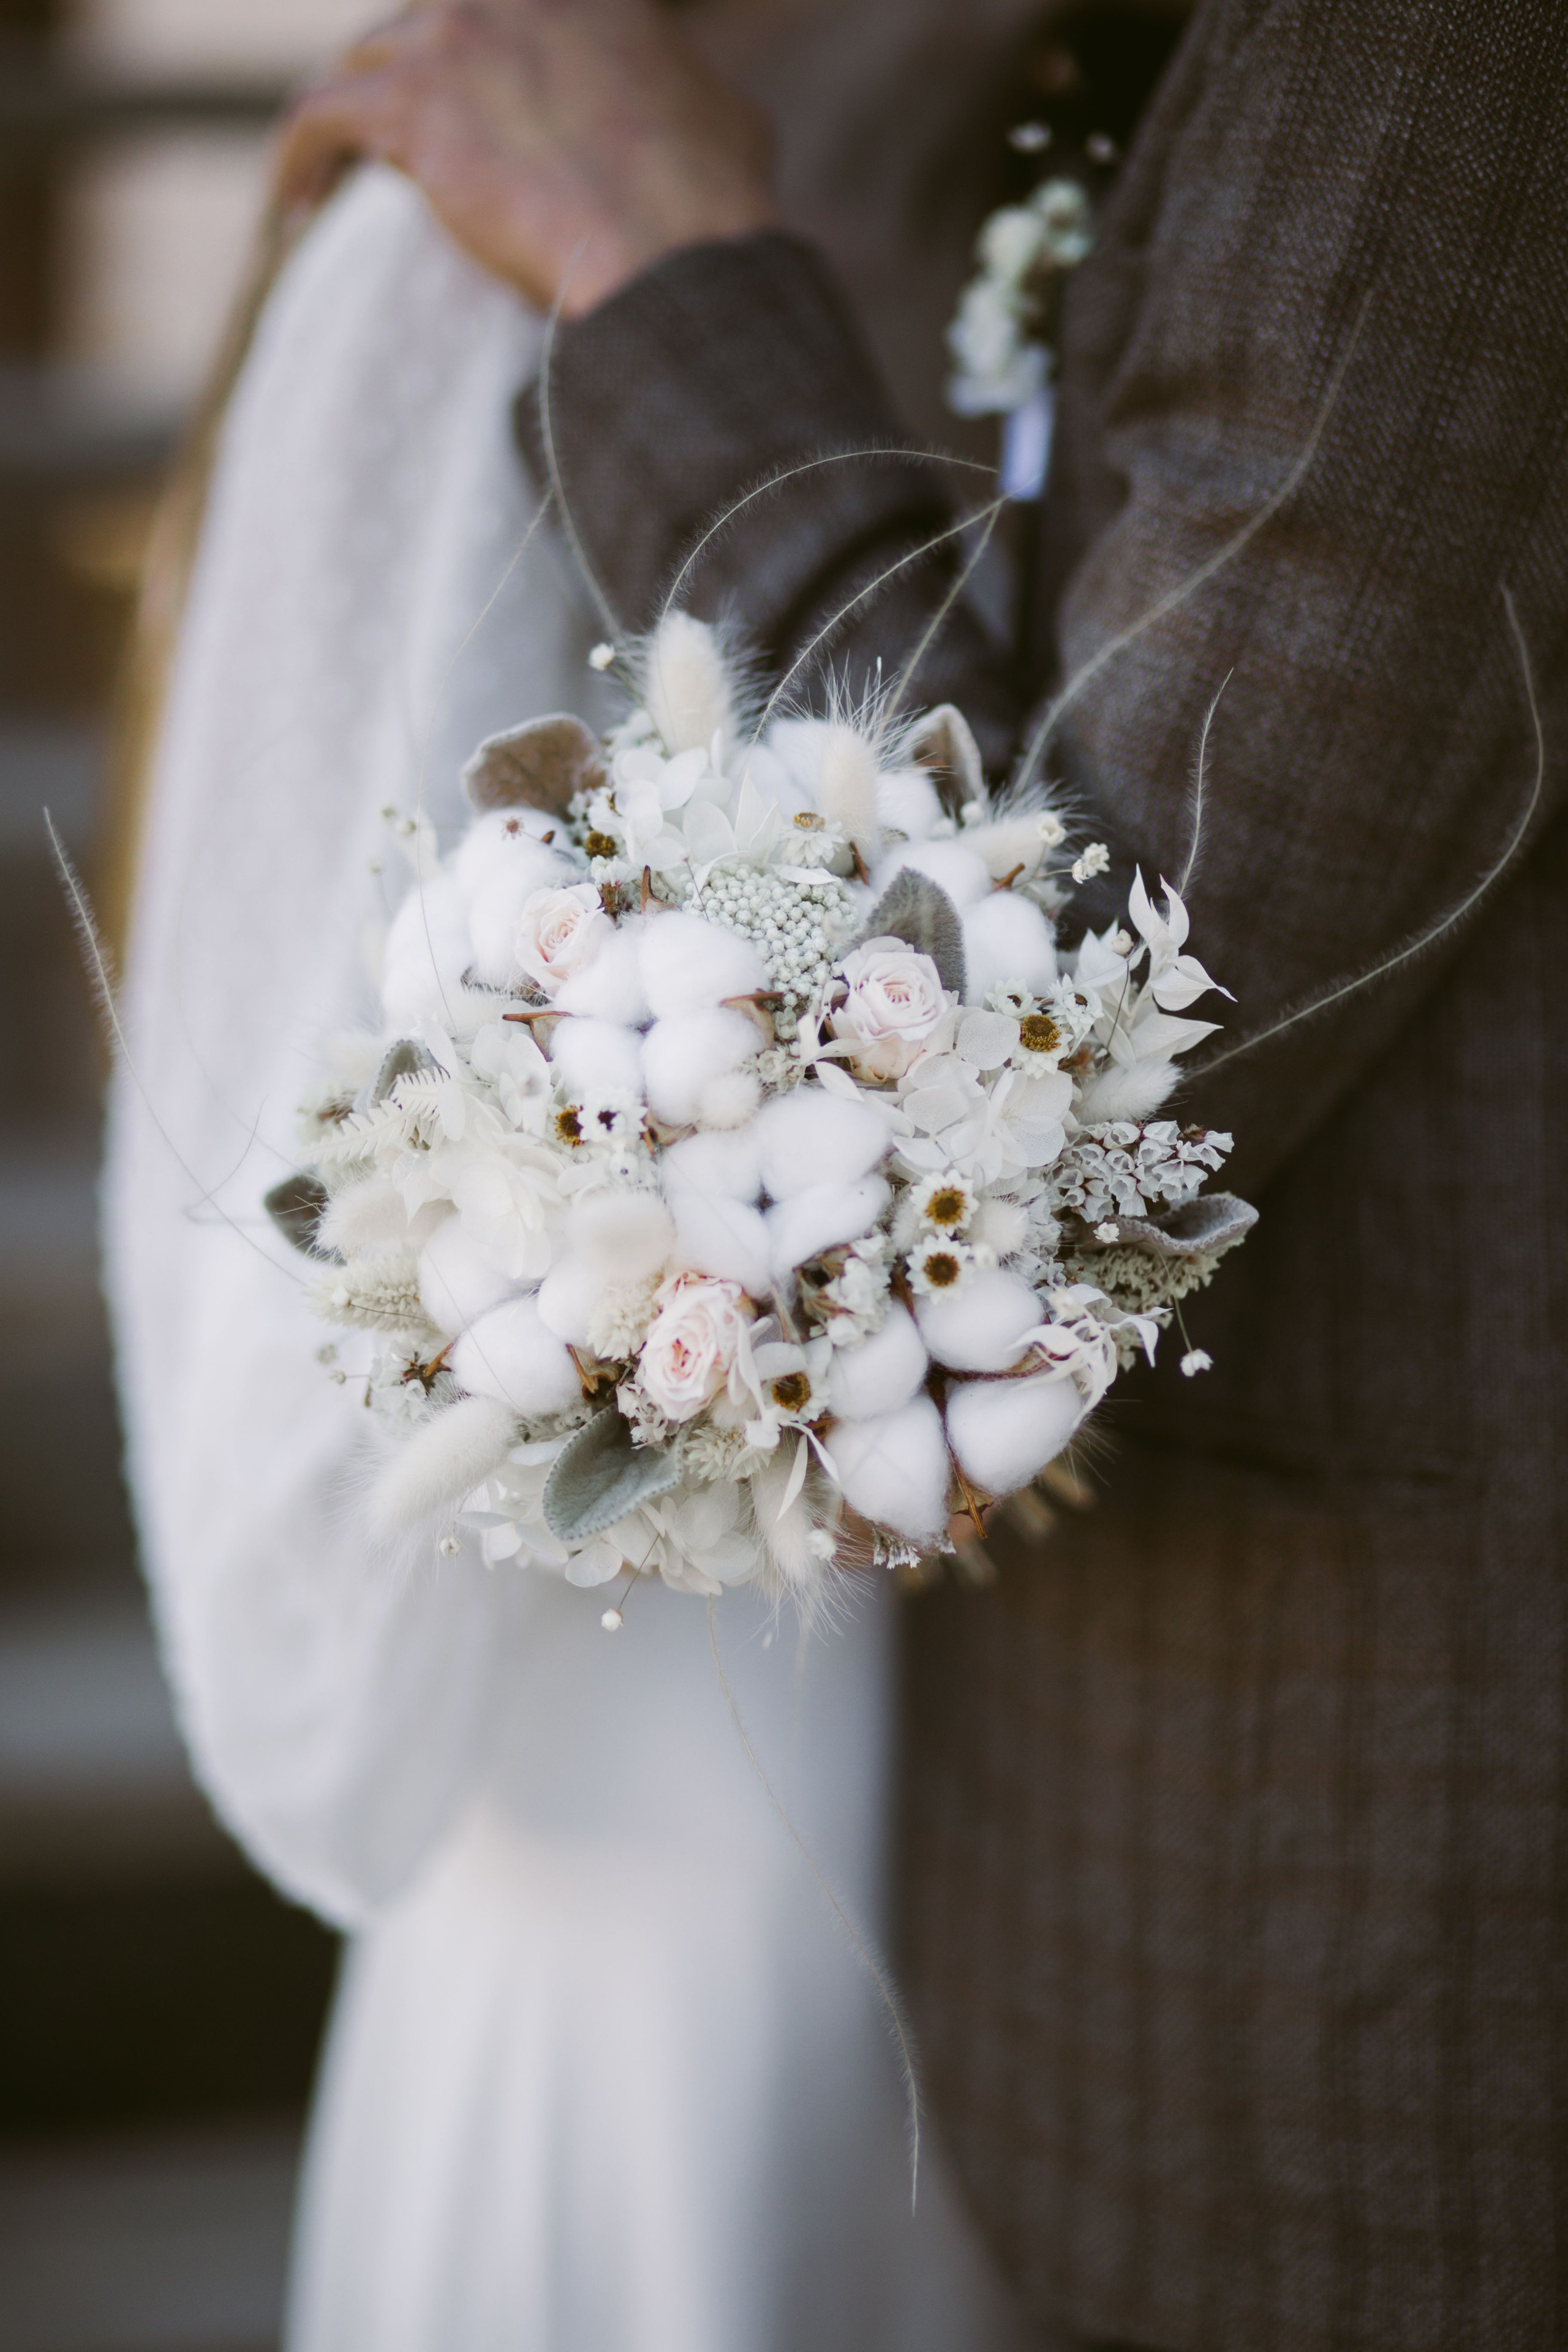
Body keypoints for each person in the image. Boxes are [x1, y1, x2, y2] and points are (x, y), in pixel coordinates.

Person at [267, 2, 1568, 2349]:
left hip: (1374, 1998)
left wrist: (660, 259)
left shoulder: (1442, 70)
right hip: (1076, 1877)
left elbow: (1089, 1005)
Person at [103, 7, 1066, 2350]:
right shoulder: (464, 269)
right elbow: (285, 1188)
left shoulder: (1051, 238)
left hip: (1016, 1791)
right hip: (665, 1779)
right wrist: (611, 1290)